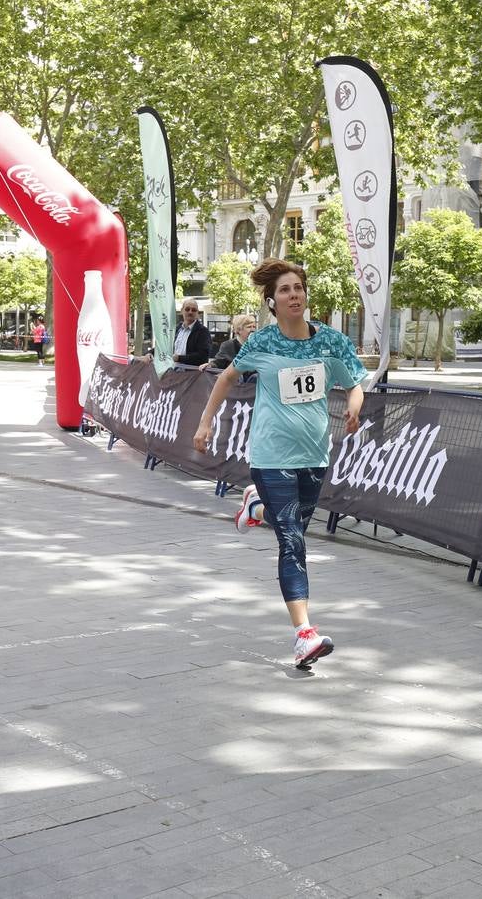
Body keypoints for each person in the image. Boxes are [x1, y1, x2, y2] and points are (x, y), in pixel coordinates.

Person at [193, 259, 366, 669]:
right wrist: (205, 422)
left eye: (299, 288)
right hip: (271, 456)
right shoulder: (262, 343)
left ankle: (257, 506)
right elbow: (226, 378)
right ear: (272, 301)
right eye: (285, 290)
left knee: (295, 533)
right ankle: (304, 634)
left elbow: (354, 381)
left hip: (314, 456)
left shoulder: (331, 342)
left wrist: (354, 410)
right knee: (293, 542)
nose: (294, 294)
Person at [173, 298, 211, 366]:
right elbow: (164, 346)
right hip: (172, 371)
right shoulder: (175, 330)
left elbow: (203, 356)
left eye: (194, 310)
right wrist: (150, 354)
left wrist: (179, 358)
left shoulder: (203, 331)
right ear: (181, 311)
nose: (190, 312)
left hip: (191, 374)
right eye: (187, 309)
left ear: (197, 313)